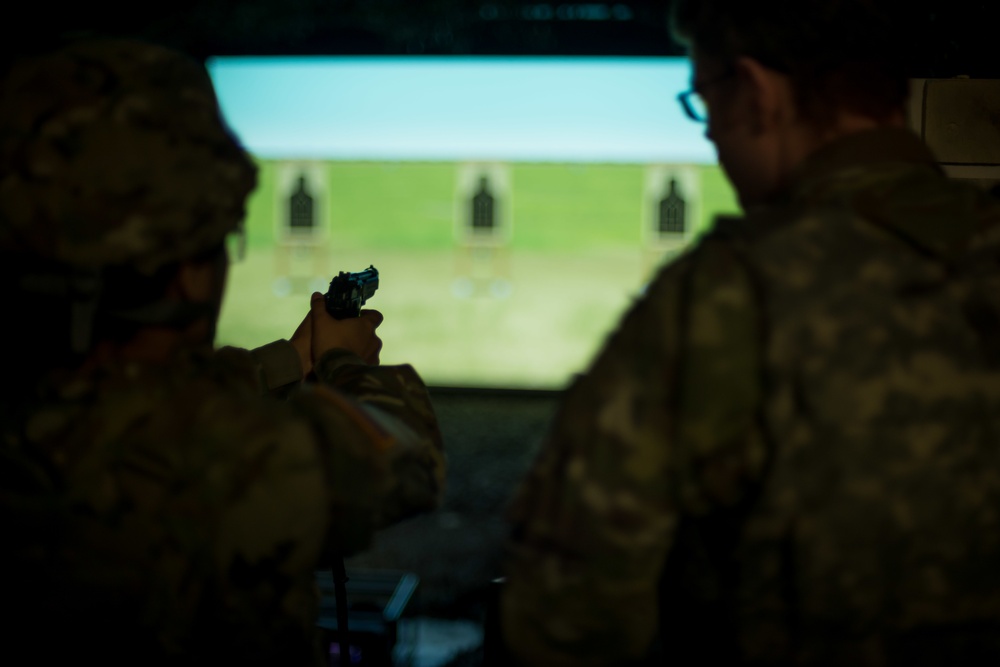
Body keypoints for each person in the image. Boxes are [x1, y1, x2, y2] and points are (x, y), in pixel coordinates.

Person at [498, 1, 1000, 665]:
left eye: (703, 103)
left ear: (759, 93)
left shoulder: (727, 293)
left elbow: (566, 619)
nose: (710, 136)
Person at [0, 38, 445, 666]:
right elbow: (410, 459)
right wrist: (345, 361)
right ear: (190, 274)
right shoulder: (222, 456)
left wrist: (295, 358)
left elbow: (162, 389)